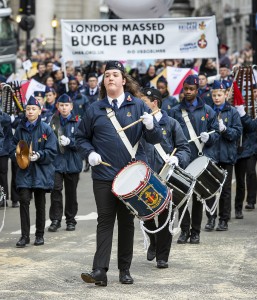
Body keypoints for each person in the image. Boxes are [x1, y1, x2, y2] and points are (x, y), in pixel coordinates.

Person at [75, 60, 162, 286]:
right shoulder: (95, 109)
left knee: (125, 223)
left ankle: (124, 269)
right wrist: (89, 153)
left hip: (130, 179)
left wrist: (152, 125)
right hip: (103, 176)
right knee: (104, 221)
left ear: (124, 80)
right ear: (104, 82)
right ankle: (99, 270)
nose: (110, 78)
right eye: (107, 75)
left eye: (115, 74)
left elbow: (155, 139)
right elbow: (80, 137)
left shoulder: (139, 106)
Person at [140, 87, 191, 268]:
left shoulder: (171, 123)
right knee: (144, 213)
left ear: (154, 102)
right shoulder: (140, 122)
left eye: (144, 100)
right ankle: (153, 241)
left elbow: (185, 148)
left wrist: (177, 158)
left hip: (166, 176)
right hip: (145, 176)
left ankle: (162, 256)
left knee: (165, 215)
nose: (140, 103)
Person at [169, 75, 219, 244]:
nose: (188, 92)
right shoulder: (175, 111)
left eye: (192, 89)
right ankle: (184, 230)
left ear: (198, 90)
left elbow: (216, 133)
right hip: (182, 159)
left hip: (199, 160)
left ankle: (195, 232)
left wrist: (209, 138)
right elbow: (170, 135)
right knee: (182, 197)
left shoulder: (207, 110)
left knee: (198, 197)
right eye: (186, 89)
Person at [10, 96, 57, 247]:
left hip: (41, 172)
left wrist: (39, 155)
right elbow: (12, 146)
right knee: (24, 201)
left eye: (33, 109)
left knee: (40, 204)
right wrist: (18, 156)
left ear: (39, 111)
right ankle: (24, 236)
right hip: (24, 172)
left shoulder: (46, 128)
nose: (30, 112)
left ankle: (39, 235)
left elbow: (52, 151)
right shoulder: (20, 128)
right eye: (28, 109)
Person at [204, 81, 242, 231]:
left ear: (226, 95)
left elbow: (237, 132)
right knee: (210, 189)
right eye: (214, 95)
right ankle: (210, 218)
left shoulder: (232, 112)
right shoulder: (208, 111)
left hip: (227, 156)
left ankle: (223, 219)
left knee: (225, 190)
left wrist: (226, 130)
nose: (216, 98)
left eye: (219, 95)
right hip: (212, 156)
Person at [48, 94, 82, 232]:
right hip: (56, 162)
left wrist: (70, 142)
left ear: (71, 107)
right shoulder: (52, 121)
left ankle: (70, 219)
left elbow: (82, 142)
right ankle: (55, 219)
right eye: (61, 105)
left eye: (66, 105)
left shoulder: (78, 121)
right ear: (57, 106)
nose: (63, 108)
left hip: (72, 163)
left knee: (71, 193)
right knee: (55, 191)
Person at [0, 109, 12, 207]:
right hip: (3, 150)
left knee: (3, 176)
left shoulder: (5, 117)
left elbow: (6, 120)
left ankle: (3, 198)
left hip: (3, 151)